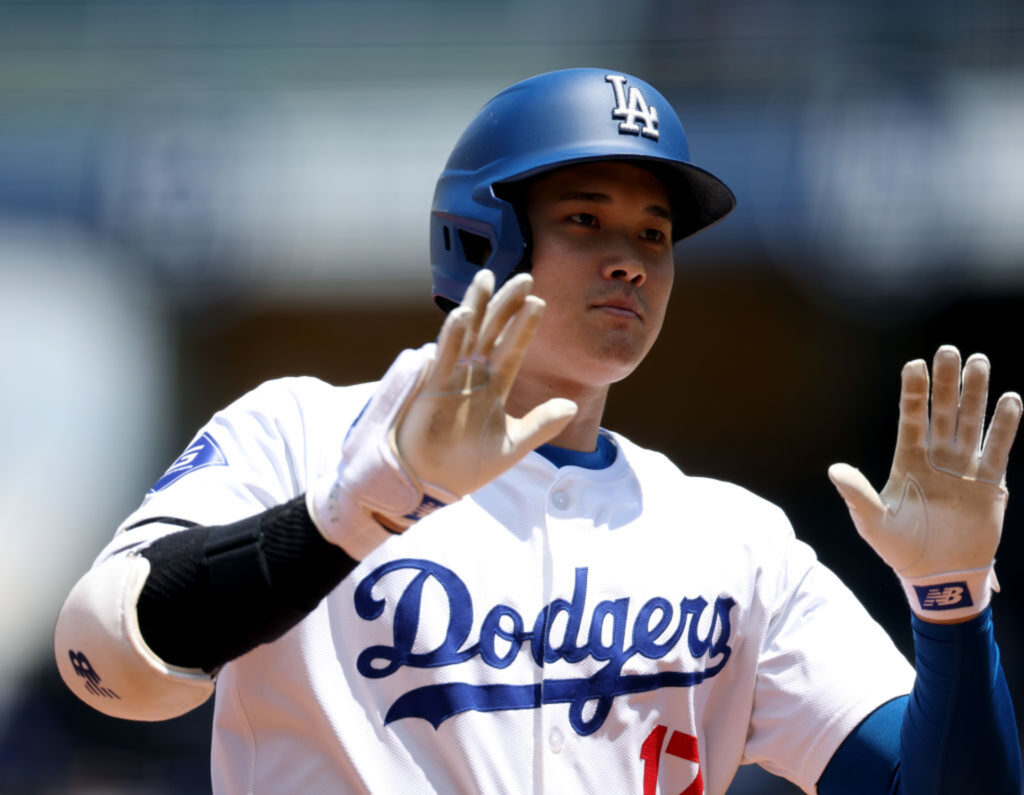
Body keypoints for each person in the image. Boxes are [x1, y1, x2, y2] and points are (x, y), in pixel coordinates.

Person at [55, 68, 1022, 794]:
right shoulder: (302, 434)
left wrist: (951, 603)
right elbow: (104, 662)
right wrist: (356, 512)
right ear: (485, 237)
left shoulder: (733, 539)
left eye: (652, 233)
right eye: (586, 219)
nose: (631, 261)